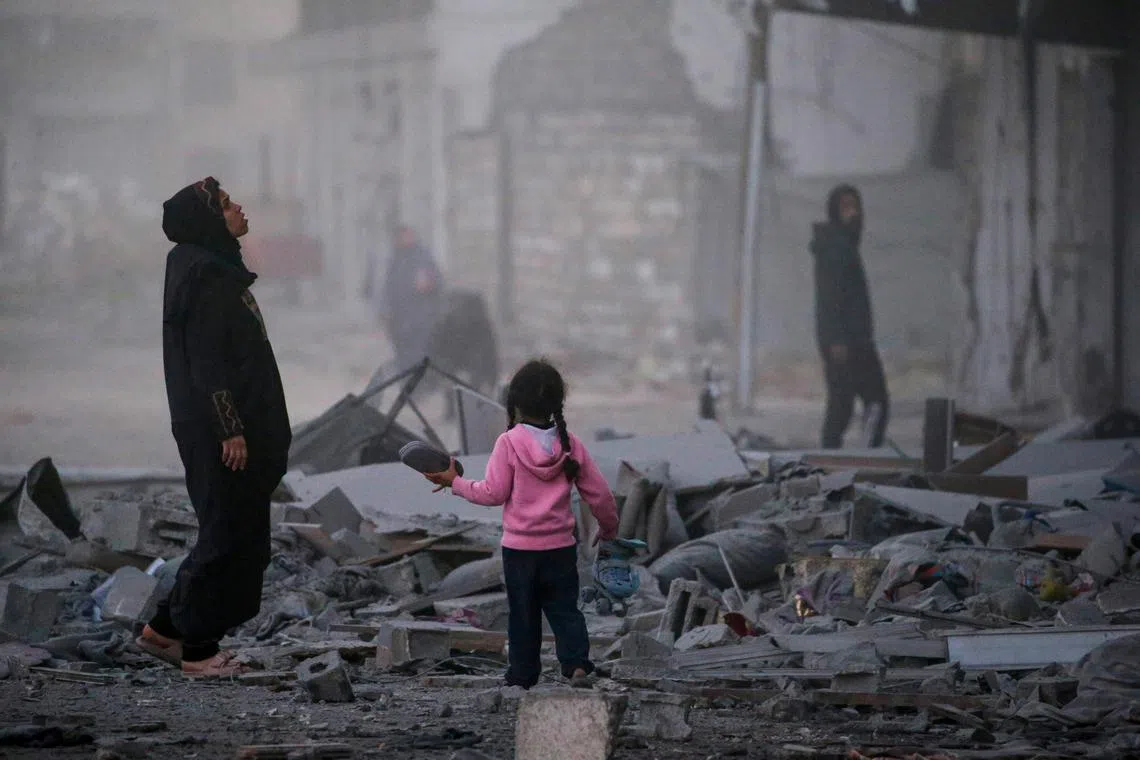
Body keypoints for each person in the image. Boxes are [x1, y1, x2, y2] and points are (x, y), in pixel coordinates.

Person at [136, 177, 291, 677]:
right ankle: (198, 652)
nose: (239, 207)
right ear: (208, 220)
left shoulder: (211, 267)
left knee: (236, 534)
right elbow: (207, 363)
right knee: (225, 537)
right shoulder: (204, 276)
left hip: (231, 430)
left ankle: (164, 632)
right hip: (222, 435)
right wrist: (231, 429)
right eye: (226, 205)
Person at [424, 360, 619, 689]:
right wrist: (609, 528)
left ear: (513, 402)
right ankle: (577, 667)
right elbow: (600, 495)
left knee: (523, 616)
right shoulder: (570, 444)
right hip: (560, 548)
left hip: (520, 551)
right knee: (565, 612)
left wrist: (454, 483)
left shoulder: (509, 443)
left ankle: (523, 676)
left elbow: (493, 493)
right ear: (557, 404)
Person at [811, 184, 890, 449]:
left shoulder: (844, 243)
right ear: (835, 211)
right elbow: (830, 295)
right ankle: (843, 455)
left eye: (856, 206)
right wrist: (836, 339)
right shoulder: (836, 245)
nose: (854, 213)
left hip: (852, 338)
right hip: (847, 342)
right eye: (846, 207)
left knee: (851, 403)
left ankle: (837, 454)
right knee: (868, 402)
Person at [379, 225, 443, 372]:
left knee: (419, 353)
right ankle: (405, 383)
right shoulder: (395, 259)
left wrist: (429, 284)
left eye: (407, 235)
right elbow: (387, 287)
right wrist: (385, 310)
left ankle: (421, 385)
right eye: (401, 236)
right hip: (399, 319)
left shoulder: (424, 257)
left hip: (420, 318)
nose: (404, 239)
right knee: (402, 354)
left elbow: (438, 282)